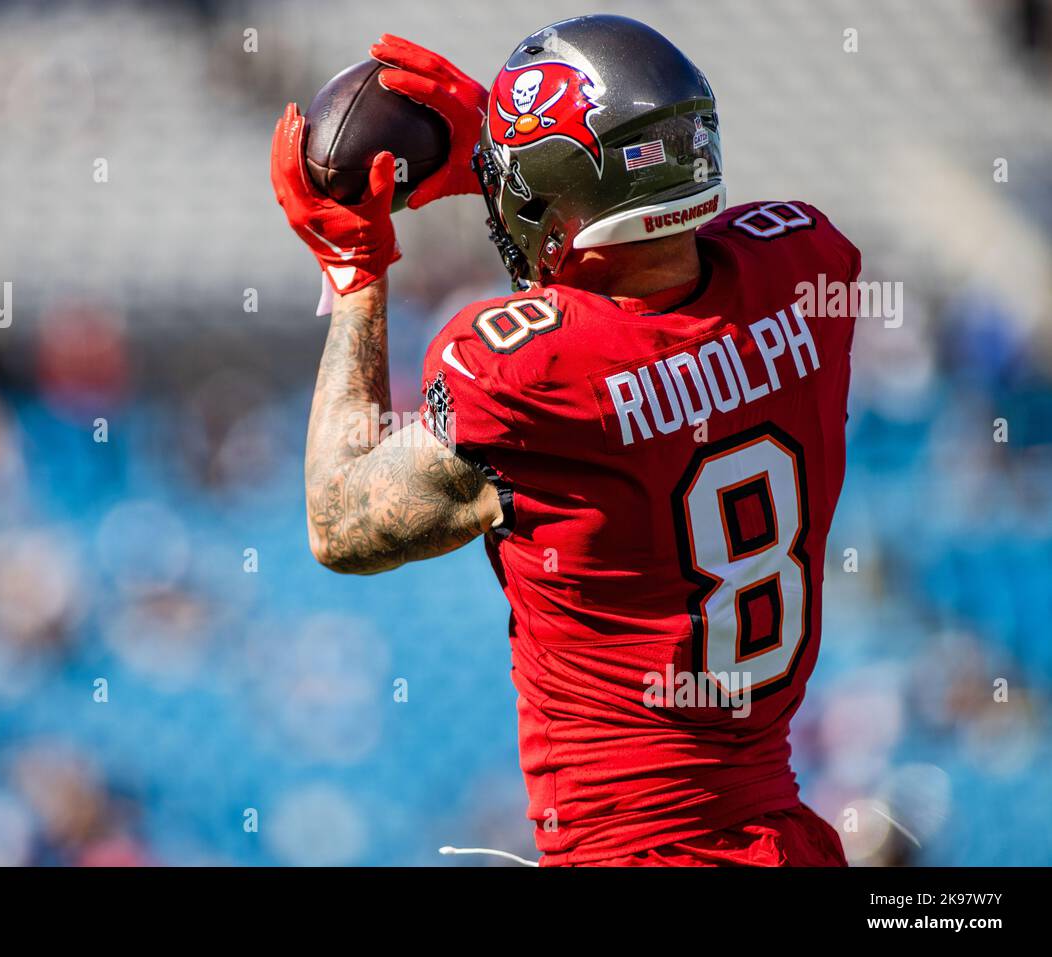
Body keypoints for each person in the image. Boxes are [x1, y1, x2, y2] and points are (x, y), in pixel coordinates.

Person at [270, 14, 860, 867]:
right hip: (787, 838)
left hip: (632, 852)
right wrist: (532, 162)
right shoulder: (806, 273)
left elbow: (340, 523)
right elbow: (670, 277)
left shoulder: (533, 372)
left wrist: (354, 275)